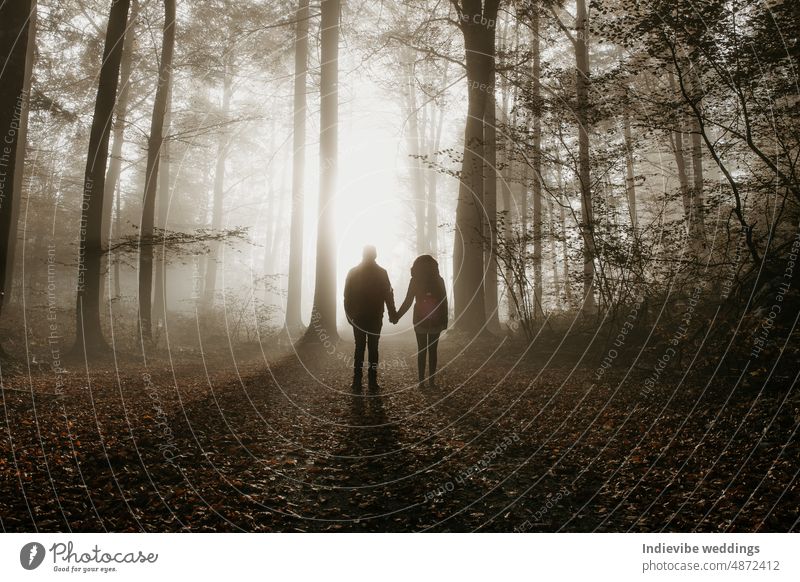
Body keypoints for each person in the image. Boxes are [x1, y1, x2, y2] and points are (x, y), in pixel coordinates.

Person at [343, 245, 397, 391]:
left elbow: (347, 295)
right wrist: (393, 313)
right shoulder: (381, 272)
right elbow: (388, 295)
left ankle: (357, 381)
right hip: (374, 316)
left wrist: (349, 314)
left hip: (359, 317)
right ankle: (372, 381)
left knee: (359, 348)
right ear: (375, 255)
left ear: (362, 254)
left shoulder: (353, 272)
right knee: (373, 348)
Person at [393, 255, 448, 388]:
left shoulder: (415, 281)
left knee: (421, 350)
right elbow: (444, 301)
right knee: (433, 351)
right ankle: (432, 382)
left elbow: (408, 301)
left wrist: (396, 316)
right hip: (436, 319)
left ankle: (421, 382)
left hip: (419, 319)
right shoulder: (439, 280)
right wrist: (444, 321)